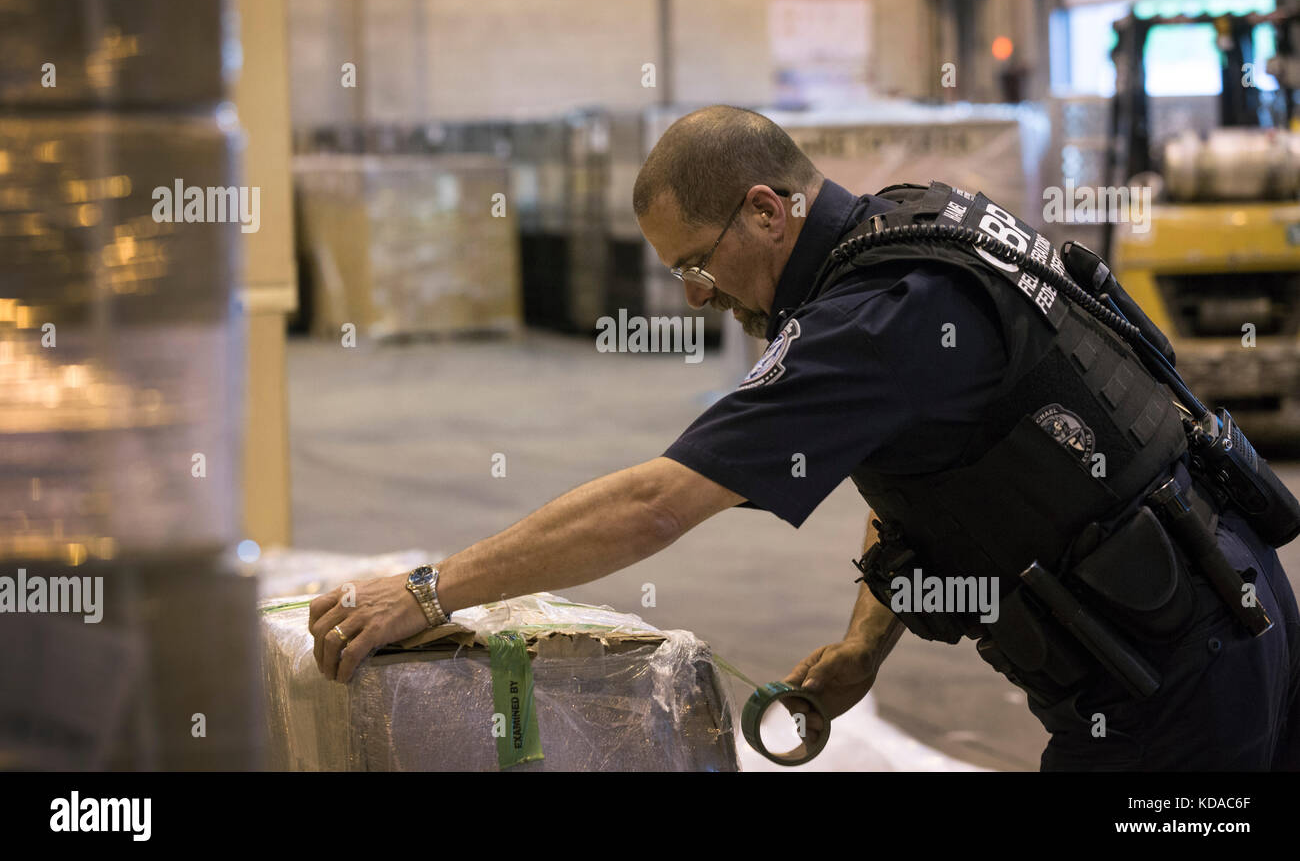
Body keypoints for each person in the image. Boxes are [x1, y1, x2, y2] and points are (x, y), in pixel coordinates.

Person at [308, 104, 1300, 770]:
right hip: (1230, 608)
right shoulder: (924, 224)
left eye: (698, 265)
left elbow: (657, 501)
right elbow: (936, 482)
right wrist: (865, 648)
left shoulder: (875, 317)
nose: (698, 294)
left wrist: (427, 589)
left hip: (1177, 681)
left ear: (766, 210)